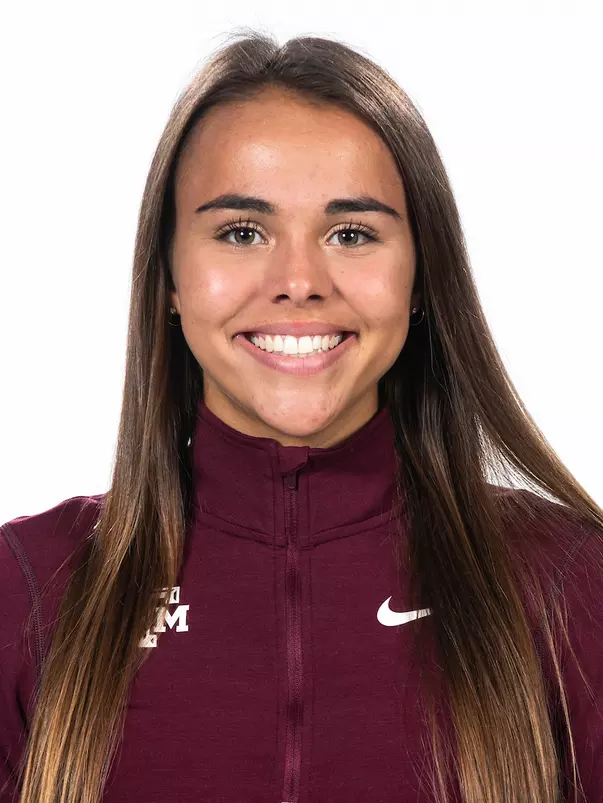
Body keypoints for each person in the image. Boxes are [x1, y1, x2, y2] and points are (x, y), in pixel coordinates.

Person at [1, 29, 602, 803]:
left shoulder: (566, 583)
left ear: (421, 275)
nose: (298, 279)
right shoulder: (28, 587)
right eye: (241, 232)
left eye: (350, 233)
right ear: (169, 277)